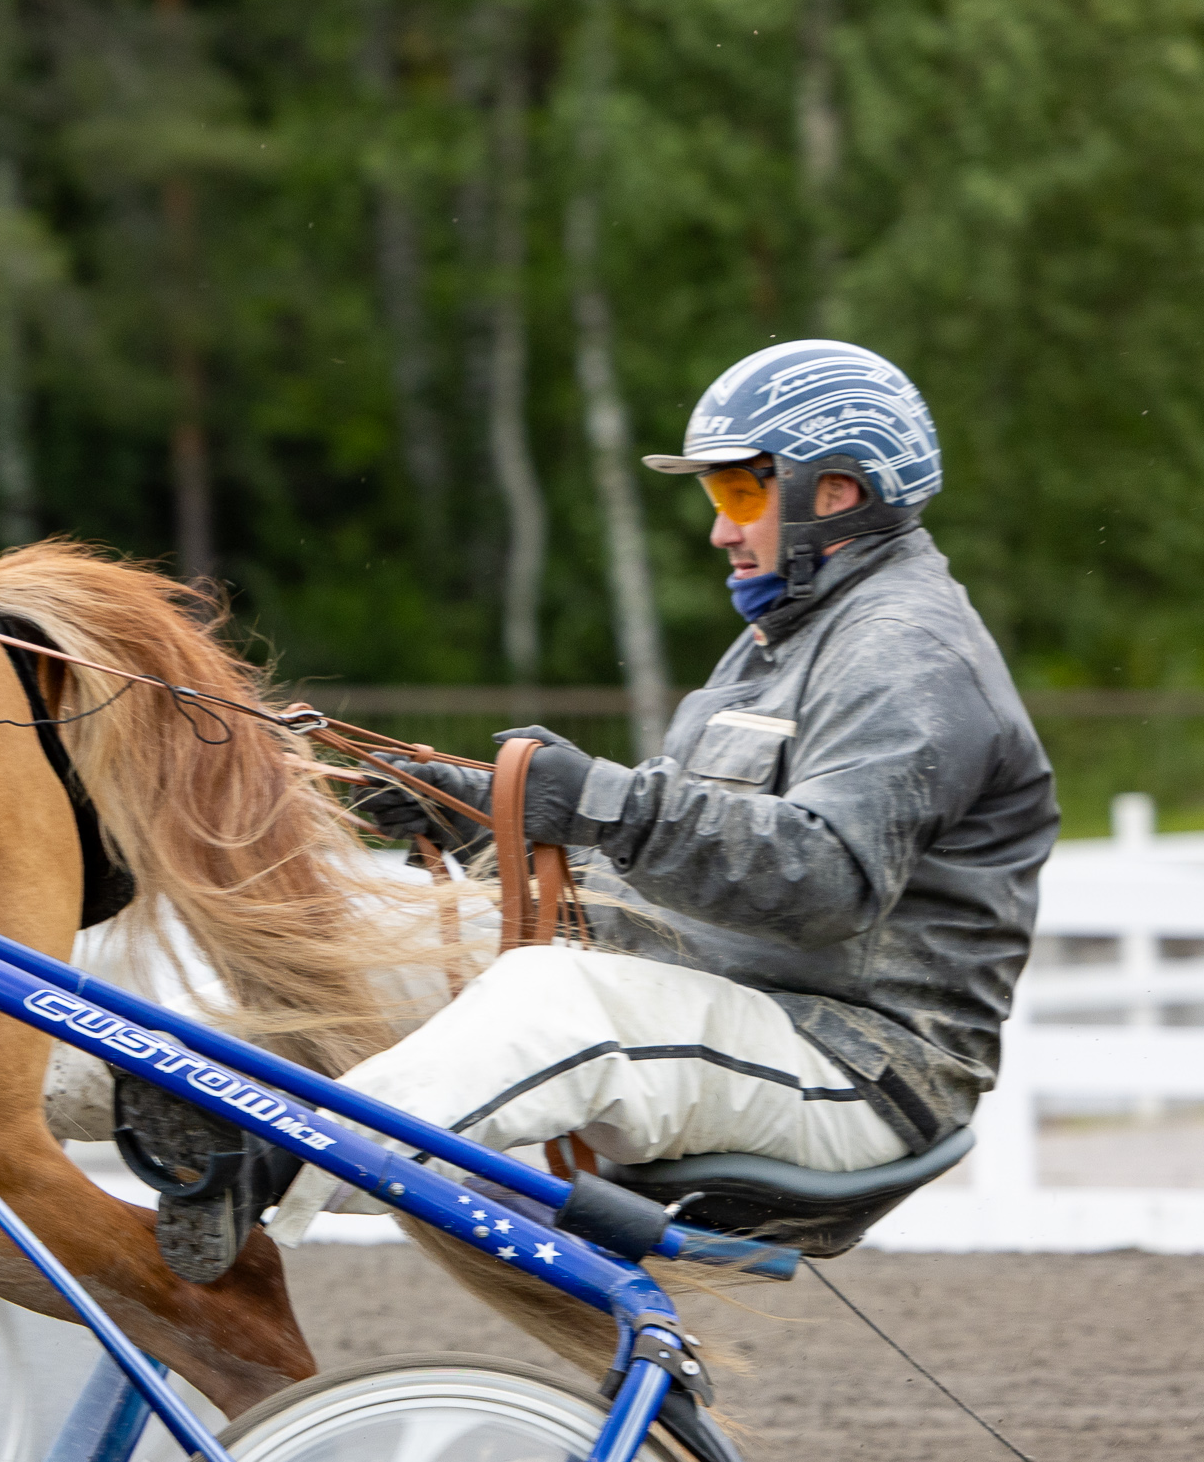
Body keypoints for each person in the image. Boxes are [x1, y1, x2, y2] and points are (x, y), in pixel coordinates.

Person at [280, 336, 1056, 1236]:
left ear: (835, 492)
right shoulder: (785, 636)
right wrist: (473, 815)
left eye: (741, 492)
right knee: (341, 937)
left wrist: (602, 799)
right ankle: (155, 1099)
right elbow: (669, 870)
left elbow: (822, 884)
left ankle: (269, 1160)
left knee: (556, 998)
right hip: (736, 1010)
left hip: (857, 1064)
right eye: (716, 496)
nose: (720, 529)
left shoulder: (906, 651)